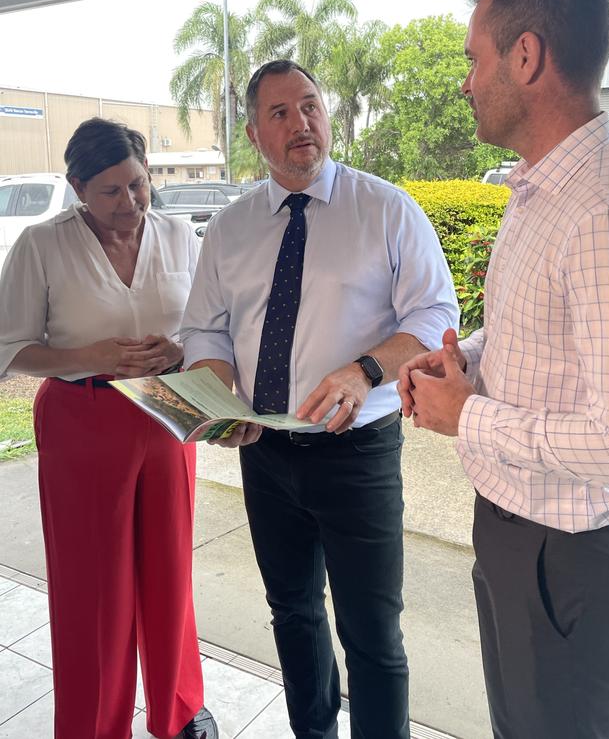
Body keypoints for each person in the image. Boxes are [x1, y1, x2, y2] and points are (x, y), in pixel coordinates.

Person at [398, 0, 609, 739]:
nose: (466, 81)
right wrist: (465, 356)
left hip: (567, 561)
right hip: (519, 533)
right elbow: (533, 332)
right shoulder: (544, 187)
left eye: (475, 58)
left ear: (528, 56)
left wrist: (466, 416)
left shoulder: (603, 212)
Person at [180, 59, 459, 739]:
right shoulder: (230, 227)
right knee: (293, 613)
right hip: (264, 450)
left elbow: (433, 314)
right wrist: (216, 394)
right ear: (253, 133)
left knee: (370, 628)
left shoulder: (386, 209)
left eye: (310, 105)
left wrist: (365, 369)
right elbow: (206, 327)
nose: (300, 122)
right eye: (279, 113)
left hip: (355, 452)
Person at [0, 118, 217, 739]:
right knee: (94, 584)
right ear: (76, 187)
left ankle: (178, 708)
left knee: (170, 567)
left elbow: (206, 326)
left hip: (167, 409)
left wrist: (176, 349)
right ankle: (96, 724)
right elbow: (9, 348)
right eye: (111, 192)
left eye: (138, 186)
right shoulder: (42, 246)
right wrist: (85, 358)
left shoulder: (179, 236)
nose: (130, 204)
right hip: (82, 418)